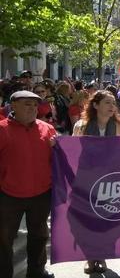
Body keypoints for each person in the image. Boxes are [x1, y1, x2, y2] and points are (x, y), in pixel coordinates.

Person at [72, 90, 120, 274]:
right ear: (95, 105)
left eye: (113, 103)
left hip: (109, 179)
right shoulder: (81, 126)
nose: (112, 107)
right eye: (107, 103)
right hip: (87, 179)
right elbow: (73, 151)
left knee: (106, 219)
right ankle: (90, 257)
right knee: (88, 220)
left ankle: (103, 254)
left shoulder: (119, 126)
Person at [0, 91, 56, 278]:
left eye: (35, 105)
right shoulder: (1, 129)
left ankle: (37, 272)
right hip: (8, 195)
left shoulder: (48, 129)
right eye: (27, 104)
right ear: (13, 106)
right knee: (4, 238)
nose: (32, 109)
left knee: (39, 236)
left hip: (41, 194)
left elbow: (61, 159)